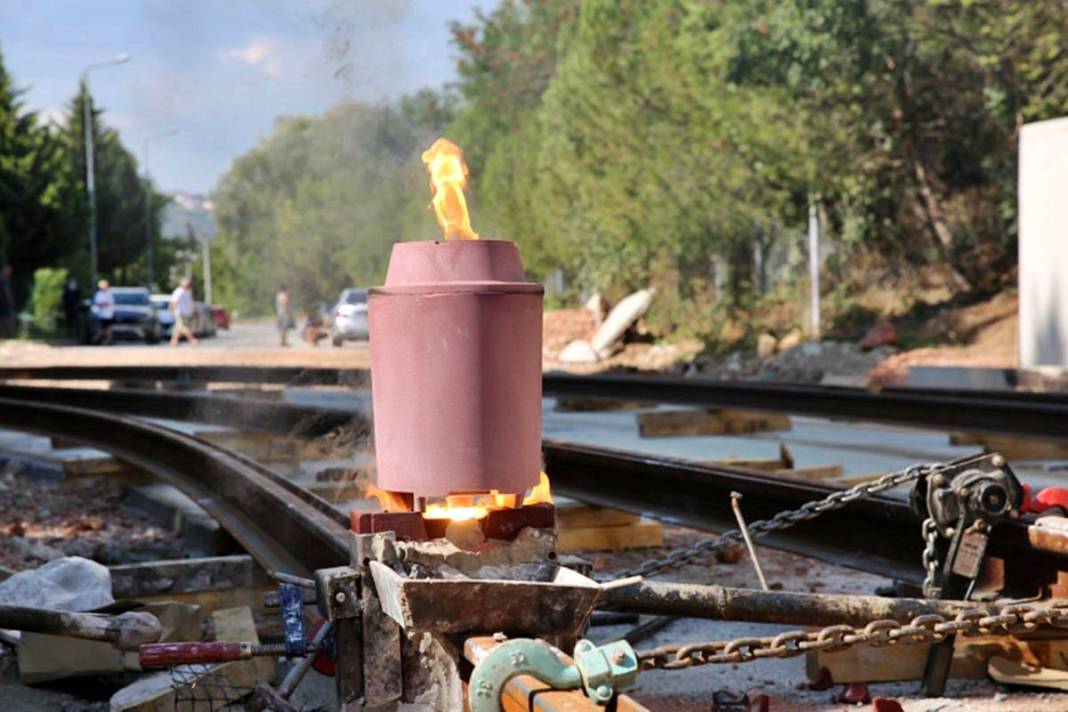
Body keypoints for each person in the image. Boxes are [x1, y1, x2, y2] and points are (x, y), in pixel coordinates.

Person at [169, 278, 199, 347]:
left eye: (188, 285)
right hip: (180, 313)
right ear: (182, 285)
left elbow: (191, 302)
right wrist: (171, 311)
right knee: (183, 327)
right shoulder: (178, 292)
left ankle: (174, 341)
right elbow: (173, 302)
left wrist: (194, 310)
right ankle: (192, 340)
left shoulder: (188, 292)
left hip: (187, 313)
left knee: (178, 328)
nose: (188, 286)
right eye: (186, 285)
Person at [92, 279, 115, 345]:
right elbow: (98, 303)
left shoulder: (109, 294)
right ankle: (95, 340)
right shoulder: (99, 294)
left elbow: (112, 303)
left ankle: (109, 341)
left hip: (109, 314)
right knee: (102, 329)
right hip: (101, 315)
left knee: (109, 329)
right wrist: (105, 304)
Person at [61, 276, 83, 342]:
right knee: (68, 323)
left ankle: (77, 336)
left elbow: (80, 300)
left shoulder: (78, 291)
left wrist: (77, 307)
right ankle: (68, 335)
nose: (72, 284)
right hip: (68, 309)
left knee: (77, 323)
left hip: (76, 309)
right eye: (71, 282)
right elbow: (63, 300)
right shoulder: (67, 291)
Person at [0, 265, 15, 339]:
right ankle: (12, 335)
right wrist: (10, 301)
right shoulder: (4, 279)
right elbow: (7, 292)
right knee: (9, 318)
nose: (10, 272)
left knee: (2, 319)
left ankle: (3, 335)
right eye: (8, 270)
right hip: (4, 302)